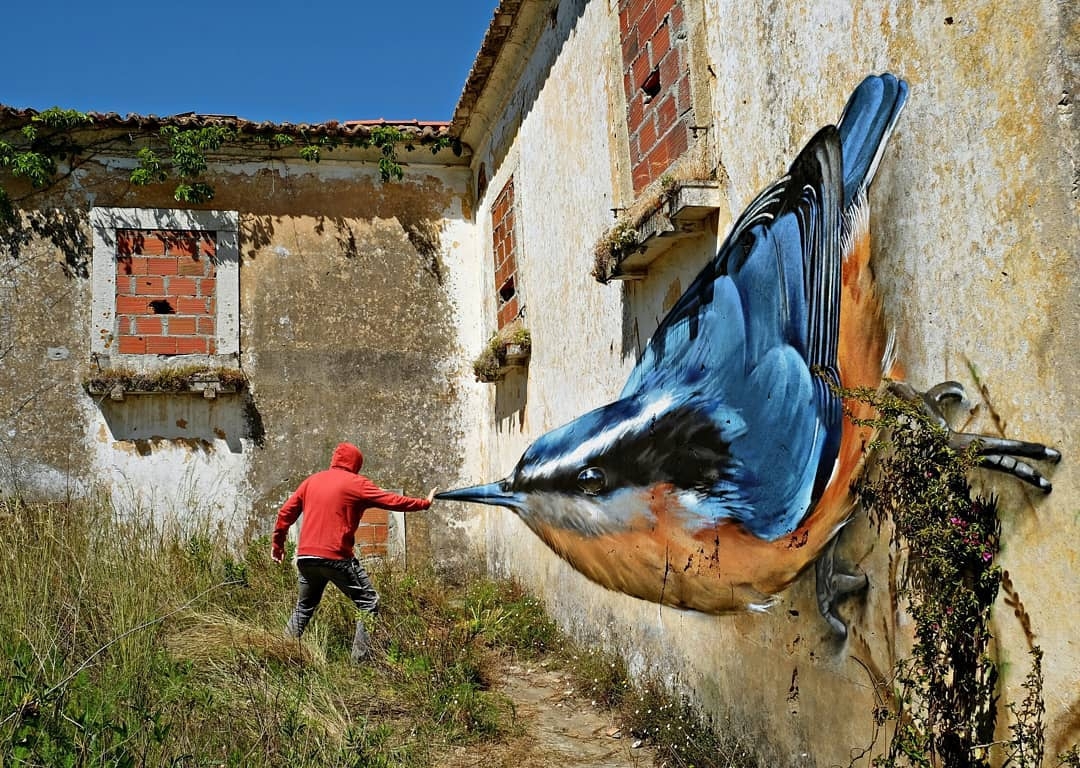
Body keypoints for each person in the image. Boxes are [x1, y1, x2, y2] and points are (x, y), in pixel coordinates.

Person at [271, 441, 436, 662]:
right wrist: (423, 503)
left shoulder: (311, 481)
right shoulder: (357, 483)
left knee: (304, 607)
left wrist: (278, 545)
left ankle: (280, 655)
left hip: (306, 557)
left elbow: (285, 513)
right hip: (335, 557)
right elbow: (391, 500)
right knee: (368, 602)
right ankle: (360, 663)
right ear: (356, 463)